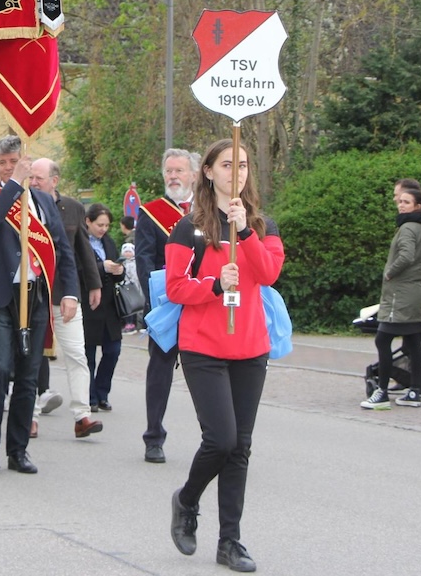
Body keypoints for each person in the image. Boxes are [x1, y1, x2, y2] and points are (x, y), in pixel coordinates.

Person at [166, 139, 284, 573]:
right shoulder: (189, 228)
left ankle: (230, 542)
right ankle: (187, 499)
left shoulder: (262, 225)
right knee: (222, 440)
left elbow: (269, 274)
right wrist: (215, 284)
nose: (237, 171)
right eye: (228, 164)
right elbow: (176, 287)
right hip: (203, 347)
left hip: (250, 347)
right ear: (209, 172)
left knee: (240, 449)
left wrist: (246, 232)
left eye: (245, 164)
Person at [0, 136, 79, 475]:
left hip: (34, 297)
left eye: (14, 161)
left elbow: (63, 250)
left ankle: (18, 450)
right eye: (2, 163)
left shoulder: (45, 203)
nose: (7, 167)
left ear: (28, 161)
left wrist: (70, 292)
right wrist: (15, 182)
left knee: (29, 377)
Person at [27, 158, 103, 439]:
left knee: (76, 353)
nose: (33, 183)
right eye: (31, 178)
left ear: (55, 181)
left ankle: (83, 415)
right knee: (32, 357)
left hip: (65, 295)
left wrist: (93, 285)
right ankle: (30, 416)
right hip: (32, 295)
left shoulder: (72, 208)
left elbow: (81, 249)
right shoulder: (23, 207)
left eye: (39, 178)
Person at [138, 148, 199, 464]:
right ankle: (153, 438)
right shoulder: (150, 213)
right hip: (168, 303)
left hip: (204, 301)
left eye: (179, 171)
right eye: (169, 171)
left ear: (193, 175)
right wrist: (156, 306)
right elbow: (144, 259)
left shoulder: (206, 210)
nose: (173, 176)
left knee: (206, 372)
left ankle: (218, 439)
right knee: (160, 370)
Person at [360, 186, 421, 411]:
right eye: (400, 201)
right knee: (413, 343)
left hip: (401, 295)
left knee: (382, 339)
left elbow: (406, 255)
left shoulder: (407, 228)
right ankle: (414, 391)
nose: (401, 205)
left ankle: (381, 393)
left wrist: (390, 272)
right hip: (420, 293)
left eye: (406, 202)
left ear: (417, 206)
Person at [83, 203, 125, 412]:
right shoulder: (80, 242)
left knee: (113, 350)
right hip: (89, 305)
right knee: (88, 354)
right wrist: (102, 267)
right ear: (88, 222)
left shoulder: (108, 242)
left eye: (107, 225)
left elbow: (119, 272)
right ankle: (90, 396)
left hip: (109, 306)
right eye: (100, 225)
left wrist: (119, 269)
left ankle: (102, 392)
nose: (103, 229)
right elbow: (79, 269)